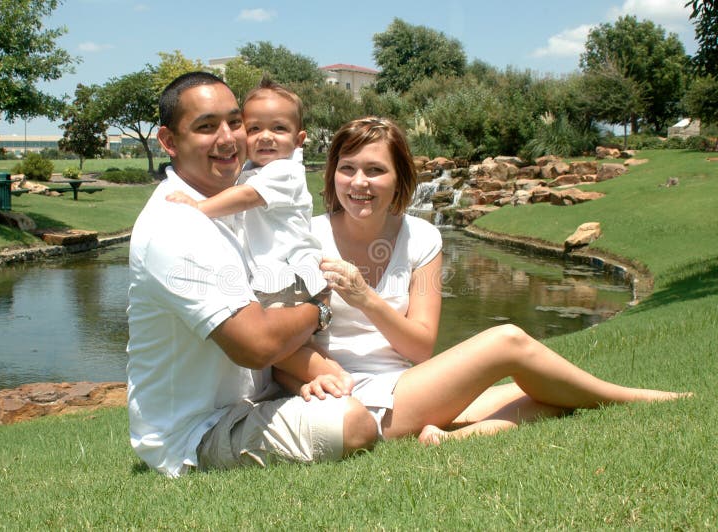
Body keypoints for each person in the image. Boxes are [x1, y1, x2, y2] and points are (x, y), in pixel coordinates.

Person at [279, 116, 689, 444]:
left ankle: (456, 438)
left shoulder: (422, 237)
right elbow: (277, 345)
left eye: (375, 170)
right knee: (507, 341)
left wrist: (366, 298)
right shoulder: (305, 239)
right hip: (349, 397)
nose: (359, 183)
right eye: (347, 169)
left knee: (551, 393)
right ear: (331, 174)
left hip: (407, 384)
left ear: (400, 179)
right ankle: (636, 399)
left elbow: (420, 347)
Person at [125, 72, 377, 477]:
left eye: (234, 122)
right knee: (355, 421)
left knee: (376, 392)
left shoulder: (232, 202)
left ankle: (502, 402)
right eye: (206, 126)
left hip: (256, 396)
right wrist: (320, 306)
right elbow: (257, 345)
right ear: (169, 141)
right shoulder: (177, 225)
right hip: (197, 433)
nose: (228, 138)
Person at [164, 79, 334, 387]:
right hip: (275, 275)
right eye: (254, 129)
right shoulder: (252, 169)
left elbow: (246, 197)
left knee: (274, 343)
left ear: (299, 139)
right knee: (289, 351)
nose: (265, 137)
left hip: (289, 274)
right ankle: (315, 384)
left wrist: (198, 207)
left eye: (279, 129)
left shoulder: (286, 172)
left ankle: (334, 377)